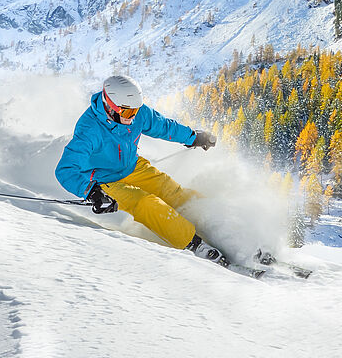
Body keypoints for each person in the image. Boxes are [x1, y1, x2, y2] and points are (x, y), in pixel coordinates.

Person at [55, 75, 227, 265]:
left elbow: (162, 126)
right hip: (105, 180)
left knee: (170, 190)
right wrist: (91, 192)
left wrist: (192, 137)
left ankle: (219, 225)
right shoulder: (90, 129)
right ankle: (195, 245)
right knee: (146, 203)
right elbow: (65, 169)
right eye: (128, 112)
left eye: (136, 110)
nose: (133, 117)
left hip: (132, 166)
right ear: (111, 107)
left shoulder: (136, 113)